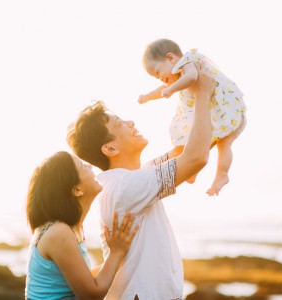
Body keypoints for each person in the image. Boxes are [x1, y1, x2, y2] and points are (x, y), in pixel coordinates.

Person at [66, 61, 214, 300]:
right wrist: (203, 95)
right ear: (110, 148)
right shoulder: (126, 186)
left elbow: (184, 154)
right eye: (120, 124)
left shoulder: (130, 178)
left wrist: (189, 93)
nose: (131, 123)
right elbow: (195, 158)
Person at [139, 38, 247, 196]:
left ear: (170, 58)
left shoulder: (188, 62)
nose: (161, 79)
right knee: (198, 142)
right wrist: (148, 96)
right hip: (216, 115)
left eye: (158, 73)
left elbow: (191, 76)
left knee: (224, 144)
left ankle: (221, 174)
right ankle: (192, 171)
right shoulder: (176, 74)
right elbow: (162, 89)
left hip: (226, 113)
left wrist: (172, 90)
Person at [25, 151, 139, 300]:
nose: (89, 165)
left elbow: (85, 278)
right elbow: (91, 294)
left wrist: (126, 259)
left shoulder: (70, 229)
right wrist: (116, 252)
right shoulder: (59, 233)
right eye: (82, 166)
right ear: (77, 190)